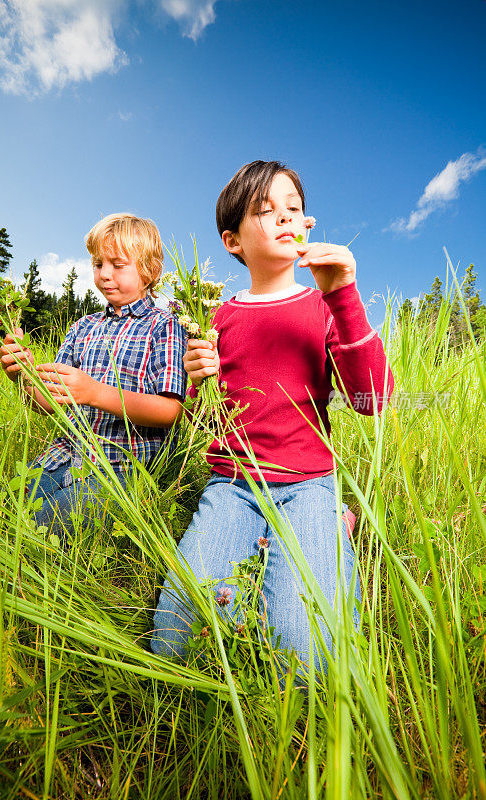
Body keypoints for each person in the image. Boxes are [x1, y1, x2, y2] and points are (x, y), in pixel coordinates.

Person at [151, 160, 394, 674]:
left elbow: (372, 400)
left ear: (307, 224)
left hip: (309, 484)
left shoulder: (324, 304)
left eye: (294, 209)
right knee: (175, 643)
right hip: (232, 485)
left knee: (306, 663)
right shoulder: (215, 317)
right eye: (265, 210)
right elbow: (199, 423)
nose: (285, 217)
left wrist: (344, 293)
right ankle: (264, 563)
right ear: (232, 240)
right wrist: (199, 383)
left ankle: (331, 526)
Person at [0, 213, 186, 537]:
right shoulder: (81, 328)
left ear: (150, 271)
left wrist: (95, 392)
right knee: (7, 504)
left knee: (49, 523)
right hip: (66, 451)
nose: (105, 274)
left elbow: (170, 411)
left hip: (124, 466)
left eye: (117, 264)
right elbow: (47, 402)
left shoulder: (164, 326)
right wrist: (22, 376)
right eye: (98, 264)